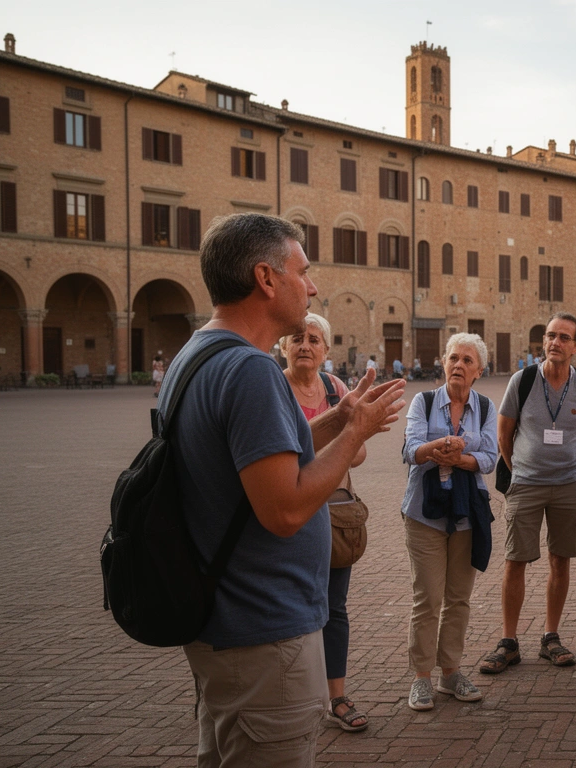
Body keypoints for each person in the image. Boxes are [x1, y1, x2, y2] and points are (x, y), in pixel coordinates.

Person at [167, 213, 404, 767]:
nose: (313, 285)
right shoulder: (250, 371)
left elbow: (256, 458)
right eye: (303, 270)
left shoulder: (199, 354)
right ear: (266, 279)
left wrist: (335, 419)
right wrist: (357, 434)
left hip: (224, 624)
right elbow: (286, 507)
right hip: (261, 636)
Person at [481, 313, 576, 675]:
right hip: (526, 484)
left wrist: (569, 466)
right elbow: (504, 434)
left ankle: (551, 636)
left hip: (568, 485)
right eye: (551, 335)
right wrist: (520, 471)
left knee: (560, 560)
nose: (555, 342)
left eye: (564, 337)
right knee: (515, 560)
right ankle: (508, 641)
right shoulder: (523, 380)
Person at [281, 312, 369, 732]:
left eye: (314, 339)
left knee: (334, 608)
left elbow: (361, 452)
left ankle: (337, 696)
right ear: (283, 345)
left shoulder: (336, 390)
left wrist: (325, 450)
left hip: (334, 514)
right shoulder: (272, 388)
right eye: (297, 338)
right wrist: (335, 446)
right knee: (287, 607)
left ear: (326, 351)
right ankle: (291, 699)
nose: (305, 345)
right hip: (286, 512)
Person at [402, 333, 498, 709]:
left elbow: (490, 457)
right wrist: (439, 448)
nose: (459, 366)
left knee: (458, 599)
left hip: (466, 514)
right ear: (443, 363)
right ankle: (422, 677)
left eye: (467, 361)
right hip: (424, 512)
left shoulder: (487, 407)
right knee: (428, 598)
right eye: (453, 358)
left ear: (479, 371)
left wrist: (459, 458)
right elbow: (411, 451)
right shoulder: (423, 402)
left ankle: (451, 672)